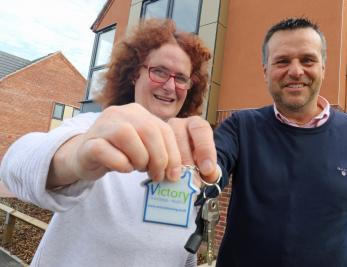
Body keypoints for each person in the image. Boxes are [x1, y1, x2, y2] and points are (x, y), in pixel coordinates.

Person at [170, 17, 347, 266]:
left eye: (308, 60)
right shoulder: (241, 126)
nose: (295, 71)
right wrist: (192, 167)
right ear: (266, 71)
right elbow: (211, 167)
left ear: (323, 68)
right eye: (282, 61)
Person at [0, 19, 219, 267]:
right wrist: (74, 157)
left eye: (181, 78)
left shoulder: (189, 156)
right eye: (159, 71)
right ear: (135, 74)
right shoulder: (94, 127)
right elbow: (15, 166)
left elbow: (178, 248)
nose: (170, 86)